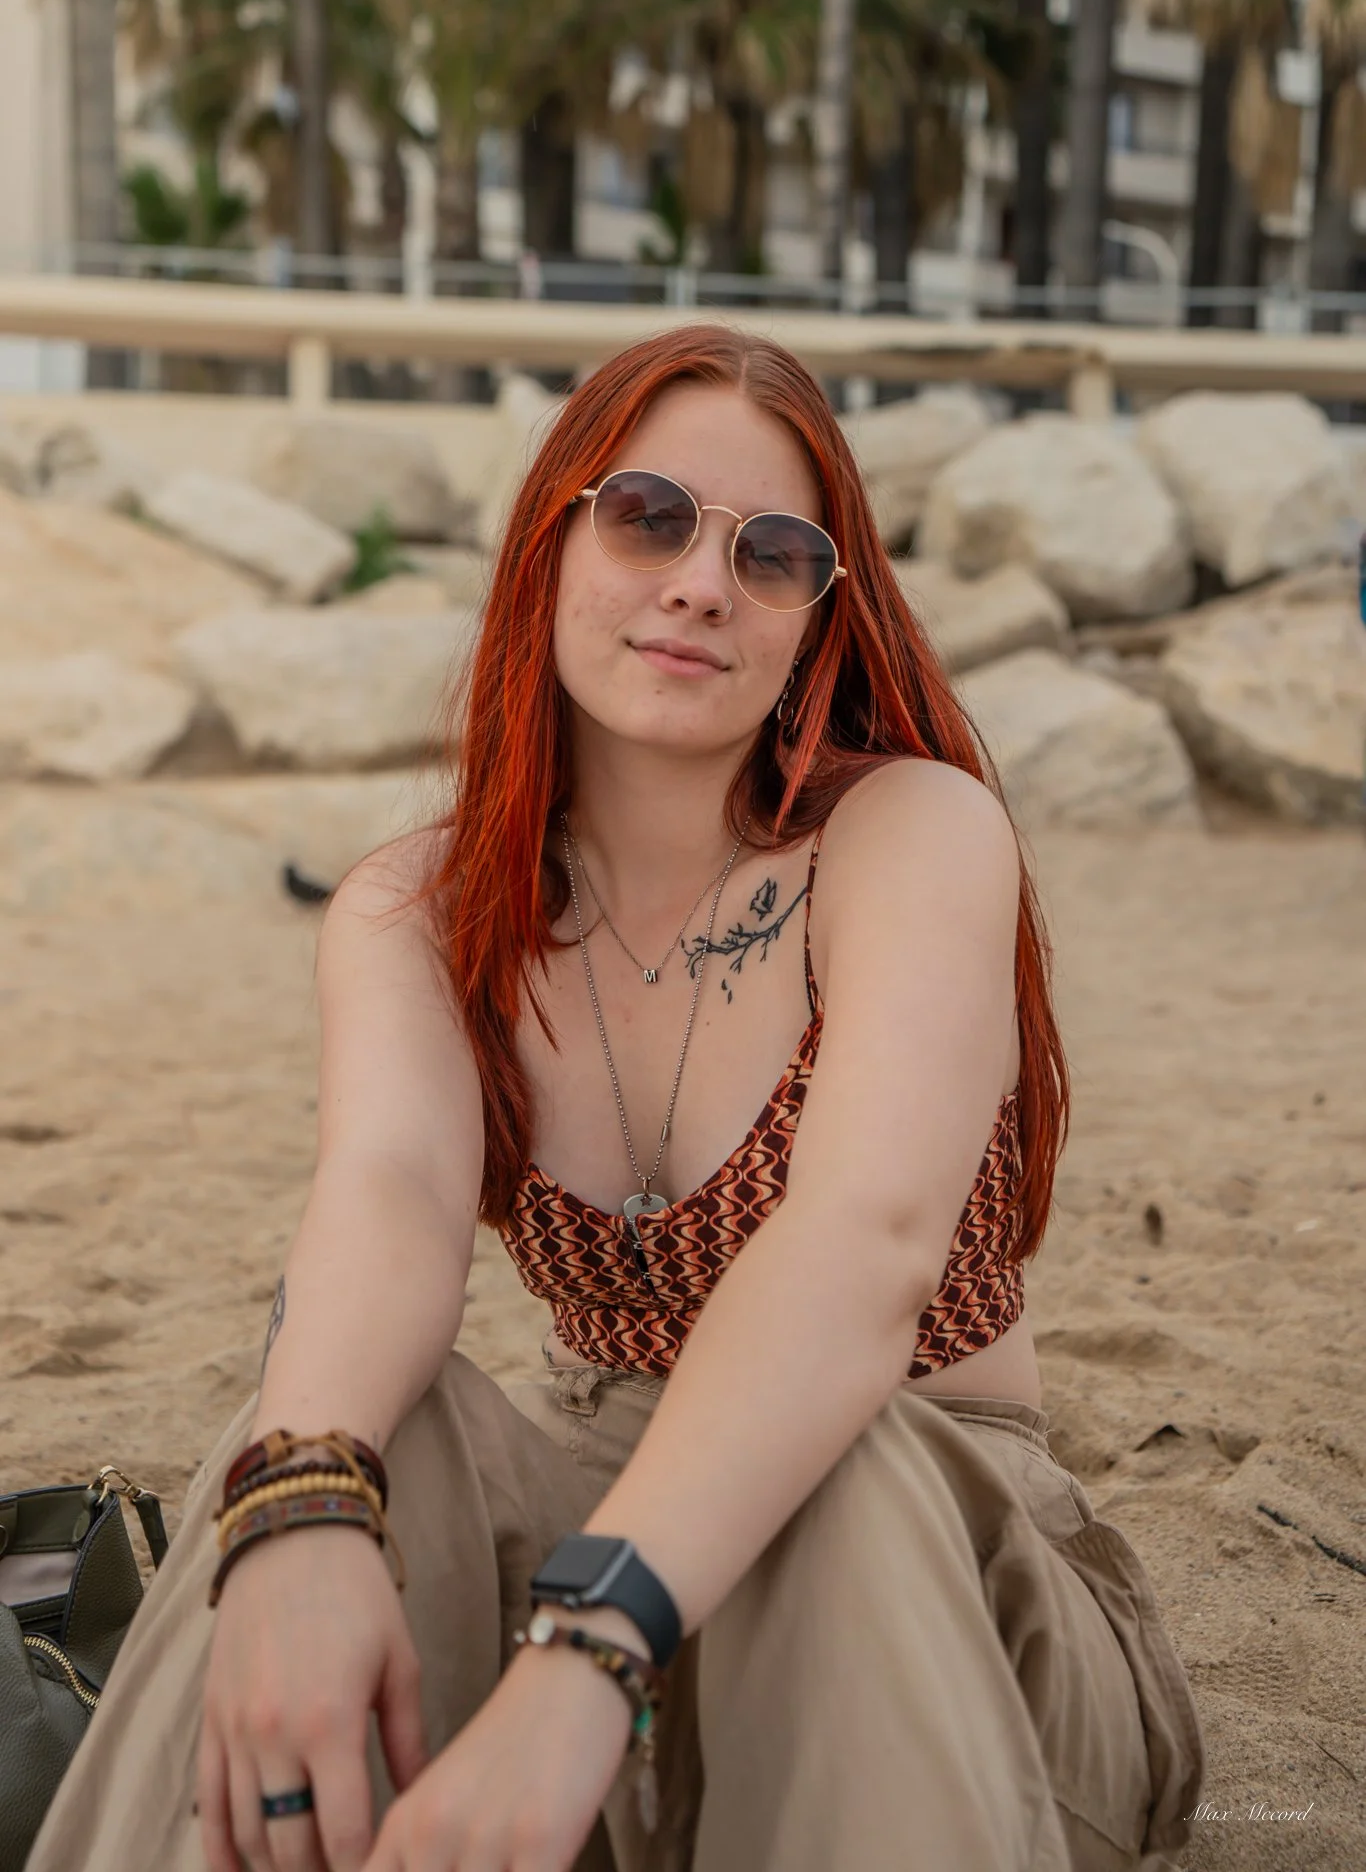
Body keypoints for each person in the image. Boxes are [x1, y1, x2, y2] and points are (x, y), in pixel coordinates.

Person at [28, 326, 1205, 1872]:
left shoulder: (911, 836)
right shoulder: (422, 910)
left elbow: (861, 1252)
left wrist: (590, 1649)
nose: (703, 581)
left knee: (834, 1474)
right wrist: (297, 1516)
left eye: (772, 554)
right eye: (648, 515)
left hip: (940, 1568)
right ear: (551, 537)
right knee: (347, 1439)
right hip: (596, 1495)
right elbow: (384, 1192)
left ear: (816, 622)